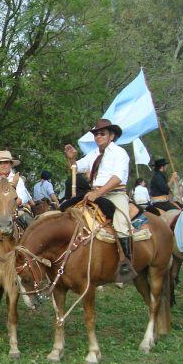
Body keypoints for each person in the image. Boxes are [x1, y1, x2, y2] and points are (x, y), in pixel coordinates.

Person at [64, 118, 133, 276]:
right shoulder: (93, 154)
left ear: (112, 136)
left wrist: (98, 193)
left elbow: (117, 178)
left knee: (122, 223)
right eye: (96, 134)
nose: (98, 137)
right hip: (94, 193)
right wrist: (71, 158)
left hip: (115, 194)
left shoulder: (120, 153)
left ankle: (126, 262)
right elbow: (76, 168)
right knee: (67, 210)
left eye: (102, 134)